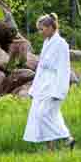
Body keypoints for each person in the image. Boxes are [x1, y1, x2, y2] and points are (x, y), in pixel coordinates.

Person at [24, 13, 73, 148]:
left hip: (54, 84)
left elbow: (64, 68)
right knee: (42, 115)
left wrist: (60, 91)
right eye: (39, 29)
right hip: (42, 84)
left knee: (44, 114)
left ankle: (66, 136)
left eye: (42, 29)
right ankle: (52, 148)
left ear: (51, 27)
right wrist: (33, 88)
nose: (40, 32)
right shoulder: (46, 43)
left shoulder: (61, 44)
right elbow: (40, 67)